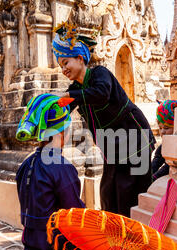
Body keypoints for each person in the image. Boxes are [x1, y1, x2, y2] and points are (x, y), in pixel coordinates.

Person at [51, 22, 156, 218]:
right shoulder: (75, 89)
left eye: (66, 62)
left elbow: (101, 94)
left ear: (80, 58)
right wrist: (46, 109)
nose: (63, 69)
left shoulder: (100, 73)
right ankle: (115, 234)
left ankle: (136, 237)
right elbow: (63, 110)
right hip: (111, 146)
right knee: (108, 193)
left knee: (132, 192)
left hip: (134, 138)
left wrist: (70, 98)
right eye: (61, 66)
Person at [15, 93, 109, 250]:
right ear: (62, 133)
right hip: (53, 243)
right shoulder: (61, 166)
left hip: (31, 238)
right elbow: (73, 212)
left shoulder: (26, 164)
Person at [151, 99, 177, 181]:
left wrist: (153, 178)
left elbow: (167, 167)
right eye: (160, 128)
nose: (162, 132)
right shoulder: (162, 148)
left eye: (166, 128)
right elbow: (156, 162)